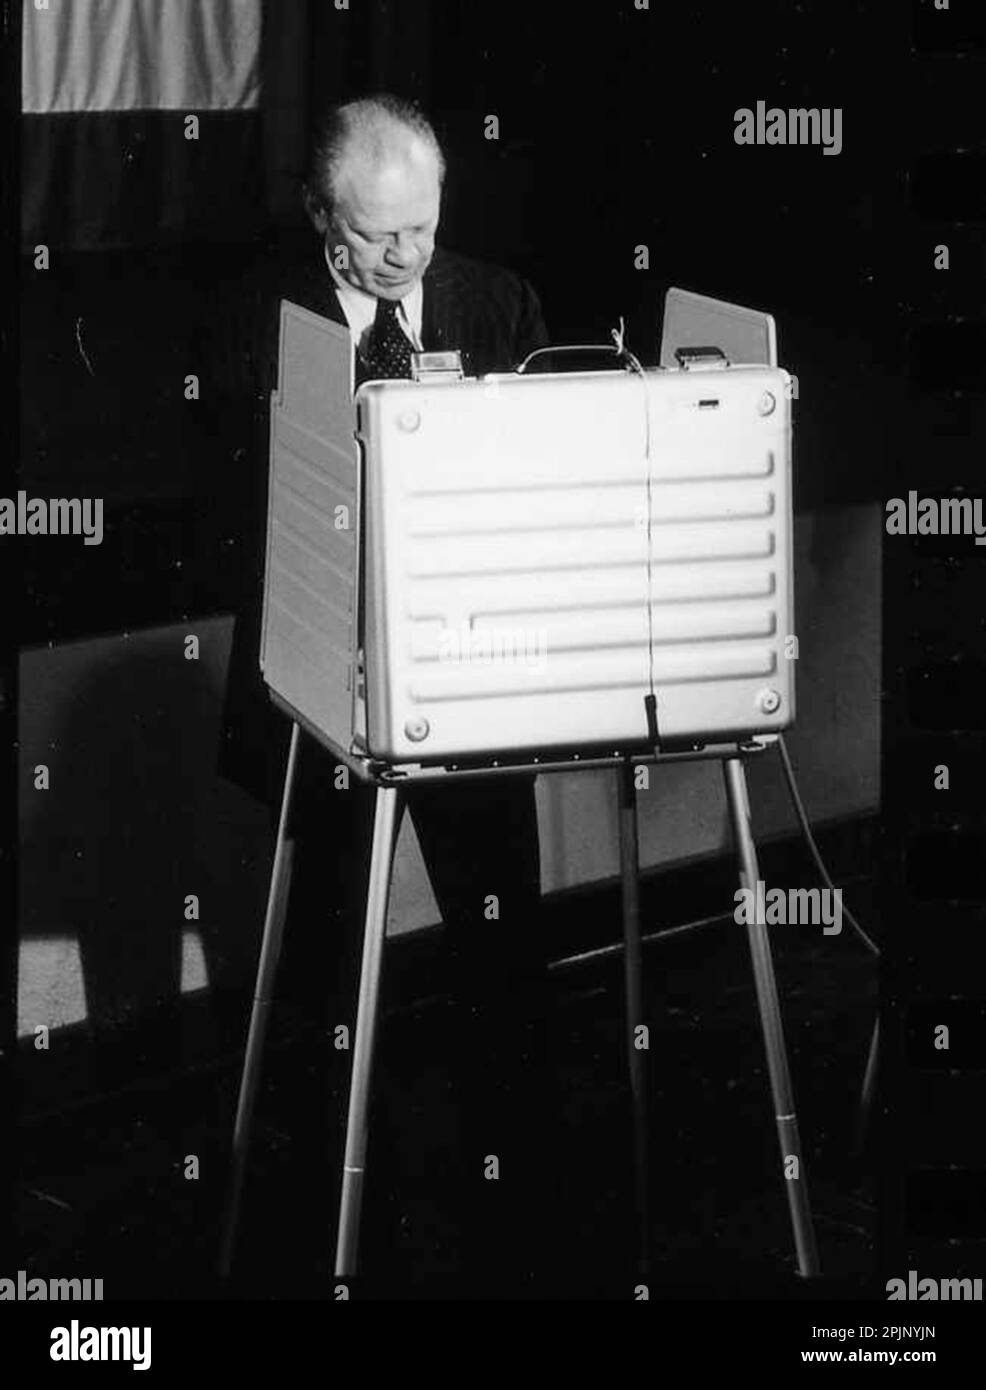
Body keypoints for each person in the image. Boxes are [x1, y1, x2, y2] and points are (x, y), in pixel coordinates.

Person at [219, 95, 555, 1286]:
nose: (409, 255)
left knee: (500, 937)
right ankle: (309, 1212)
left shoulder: (496, 306)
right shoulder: (268, 323)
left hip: (463, 679)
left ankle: (509, 1195)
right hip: (325, 685)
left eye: (423, 226)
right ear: (322, 218)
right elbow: (243, 529)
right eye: (378, 235)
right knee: (321, 954)